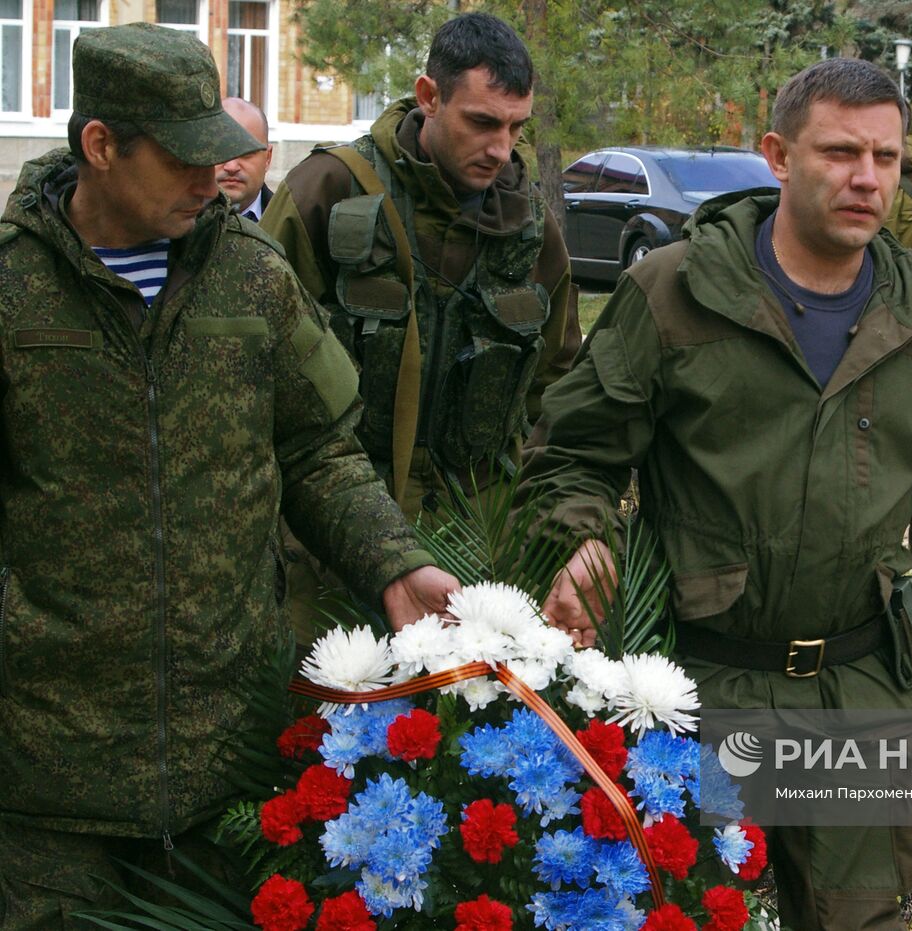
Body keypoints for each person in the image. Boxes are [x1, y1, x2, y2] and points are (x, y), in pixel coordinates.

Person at [518, 58, 912, 930]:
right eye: (838, 152)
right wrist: (581, 536)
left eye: (886, 158)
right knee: (680, 910)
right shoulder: (676, 291)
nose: (866, 179)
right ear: (777, 156)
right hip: (698, 684)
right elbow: (573, 451)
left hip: (862, 684)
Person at [0, 23, 458, 928]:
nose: (212, 177)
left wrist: (394, 562)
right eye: (183, 158)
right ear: (101, 146)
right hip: (51, 787)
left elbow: (320, 451)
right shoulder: (13, 291)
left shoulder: (253, 280)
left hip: (235, 769)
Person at [262, 11, 576, 520]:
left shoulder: (530, 223)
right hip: (337, 531)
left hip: (482, 533)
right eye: (482, 122)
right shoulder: (328, 191)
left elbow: (557, 382)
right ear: (430, 96)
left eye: (517, 126)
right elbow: (256, 363)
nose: (501, 149)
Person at [217, 96, 274, 220]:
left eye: (246, 152)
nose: (231, 167)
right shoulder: (168, 228)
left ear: (268, 158)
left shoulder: (295, 227)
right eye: (220, 150)